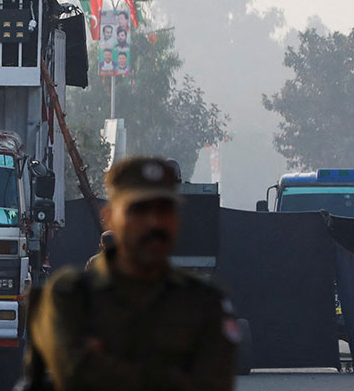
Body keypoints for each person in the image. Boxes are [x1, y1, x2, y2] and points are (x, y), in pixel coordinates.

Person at [22, 156, 238, 391]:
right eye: (138, 210)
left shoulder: (205, 302)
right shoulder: (69, 295)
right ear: (110, 216)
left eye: (164, 210)